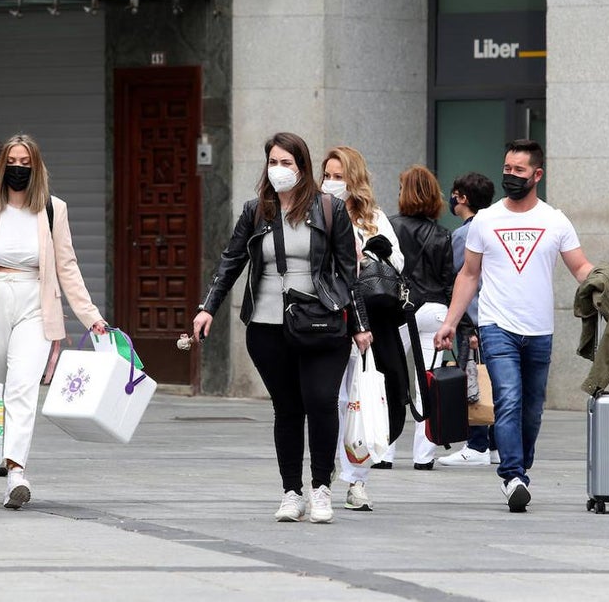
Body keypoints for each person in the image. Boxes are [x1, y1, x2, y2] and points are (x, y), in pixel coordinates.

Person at [193, 132, 372, 524]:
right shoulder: (256, 211)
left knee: (322, 402)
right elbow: (230, 262)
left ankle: (321, 488)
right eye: (273, 163)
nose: (279, 170)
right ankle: (292, 492)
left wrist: (360, 323)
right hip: (268, 326)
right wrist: (208, 308)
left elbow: (348, 271)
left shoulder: (330, 210)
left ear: (303, 168)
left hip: (324, 324)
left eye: (286, 163)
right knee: (287, 409)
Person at [435, 139, 593, 513]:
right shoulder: (486, 220)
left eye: (519, 170)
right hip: (496, 326)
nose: (510, 175)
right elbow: (469, 275)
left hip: (539, 331)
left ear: (537, 175)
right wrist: (450, 322)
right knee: (508, 399)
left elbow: (580, 267)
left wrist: (606, 288)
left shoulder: (555, 220)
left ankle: (521, 467)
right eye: (507, 168)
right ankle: (513, 477)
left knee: (532, 409)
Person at [0, 133, 107, 510]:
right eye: (11, 162)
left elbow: (67, 265)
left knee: (22, 387)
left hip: (35, 301)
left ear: (37, 167)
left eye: (25, 163)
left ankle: (16, 472)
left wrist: (91, 317)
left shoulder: (52, 209)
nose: (17, 169)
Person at [322, 145, 406, 512]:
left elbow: (398, 263)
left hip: (367, 320)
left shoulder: (374, 217)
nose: (332, 183)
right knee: (331, 400)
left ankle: (357, 480)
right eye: (327, 176)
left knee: (363, 398)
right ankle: (324, 474)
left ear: (354, 180)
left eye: (339, 176)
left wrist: (370, 253)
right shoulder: (315, 214)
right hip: (327, 317)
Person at [389, 165, 455, 470]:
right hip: (435, 311)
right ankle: (423, 456)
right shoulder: (444, 234)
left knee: (386, 379)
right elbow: (448, 281)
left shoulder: (390, 227)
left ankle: (382, 452)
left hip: (400, 311)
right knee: (428, 385)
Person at [437, 172, 498, 467]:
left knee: (472, 379)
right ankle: (495, 445)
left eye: (454, 194)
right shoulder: (494, 228)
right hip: (494, 318)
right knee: (494, 382)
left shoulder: (464, 235)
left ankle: (476, 444)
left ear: (461, 198)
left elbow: (463, 279)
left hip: (473, 320)